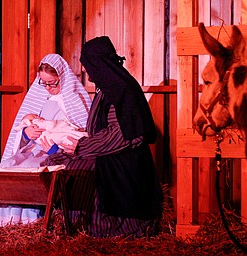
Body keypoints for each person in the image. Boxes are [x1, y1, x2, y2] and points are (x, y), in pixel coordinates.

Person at [43, 36, 163, 238]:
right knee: (56, 161)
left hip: (124, 161)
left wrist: (81, 147)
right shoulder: (107, 88)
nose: (84, 70)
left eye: (87, 64)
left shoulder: (121, 89)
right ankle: (70, 221)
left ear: (97, 64)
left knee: (74, 168)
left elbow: (122, 134)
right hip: (107, 153)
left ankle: (102, 226)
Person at [0, 53, 92, 226]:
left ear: (62, 78)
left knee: (29, 169)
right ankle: (7, 223)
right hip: (34, 151)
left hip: (57, 154)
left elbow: (81, 136)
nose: (47, 87)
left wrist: (55, 151)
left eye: (52, 83)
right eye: (43, 82)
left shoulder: (75, 101)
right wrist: (26, 133)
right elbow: (24, 130)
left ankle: (29, 224)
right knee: (7, 166)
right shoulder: (41, 99)